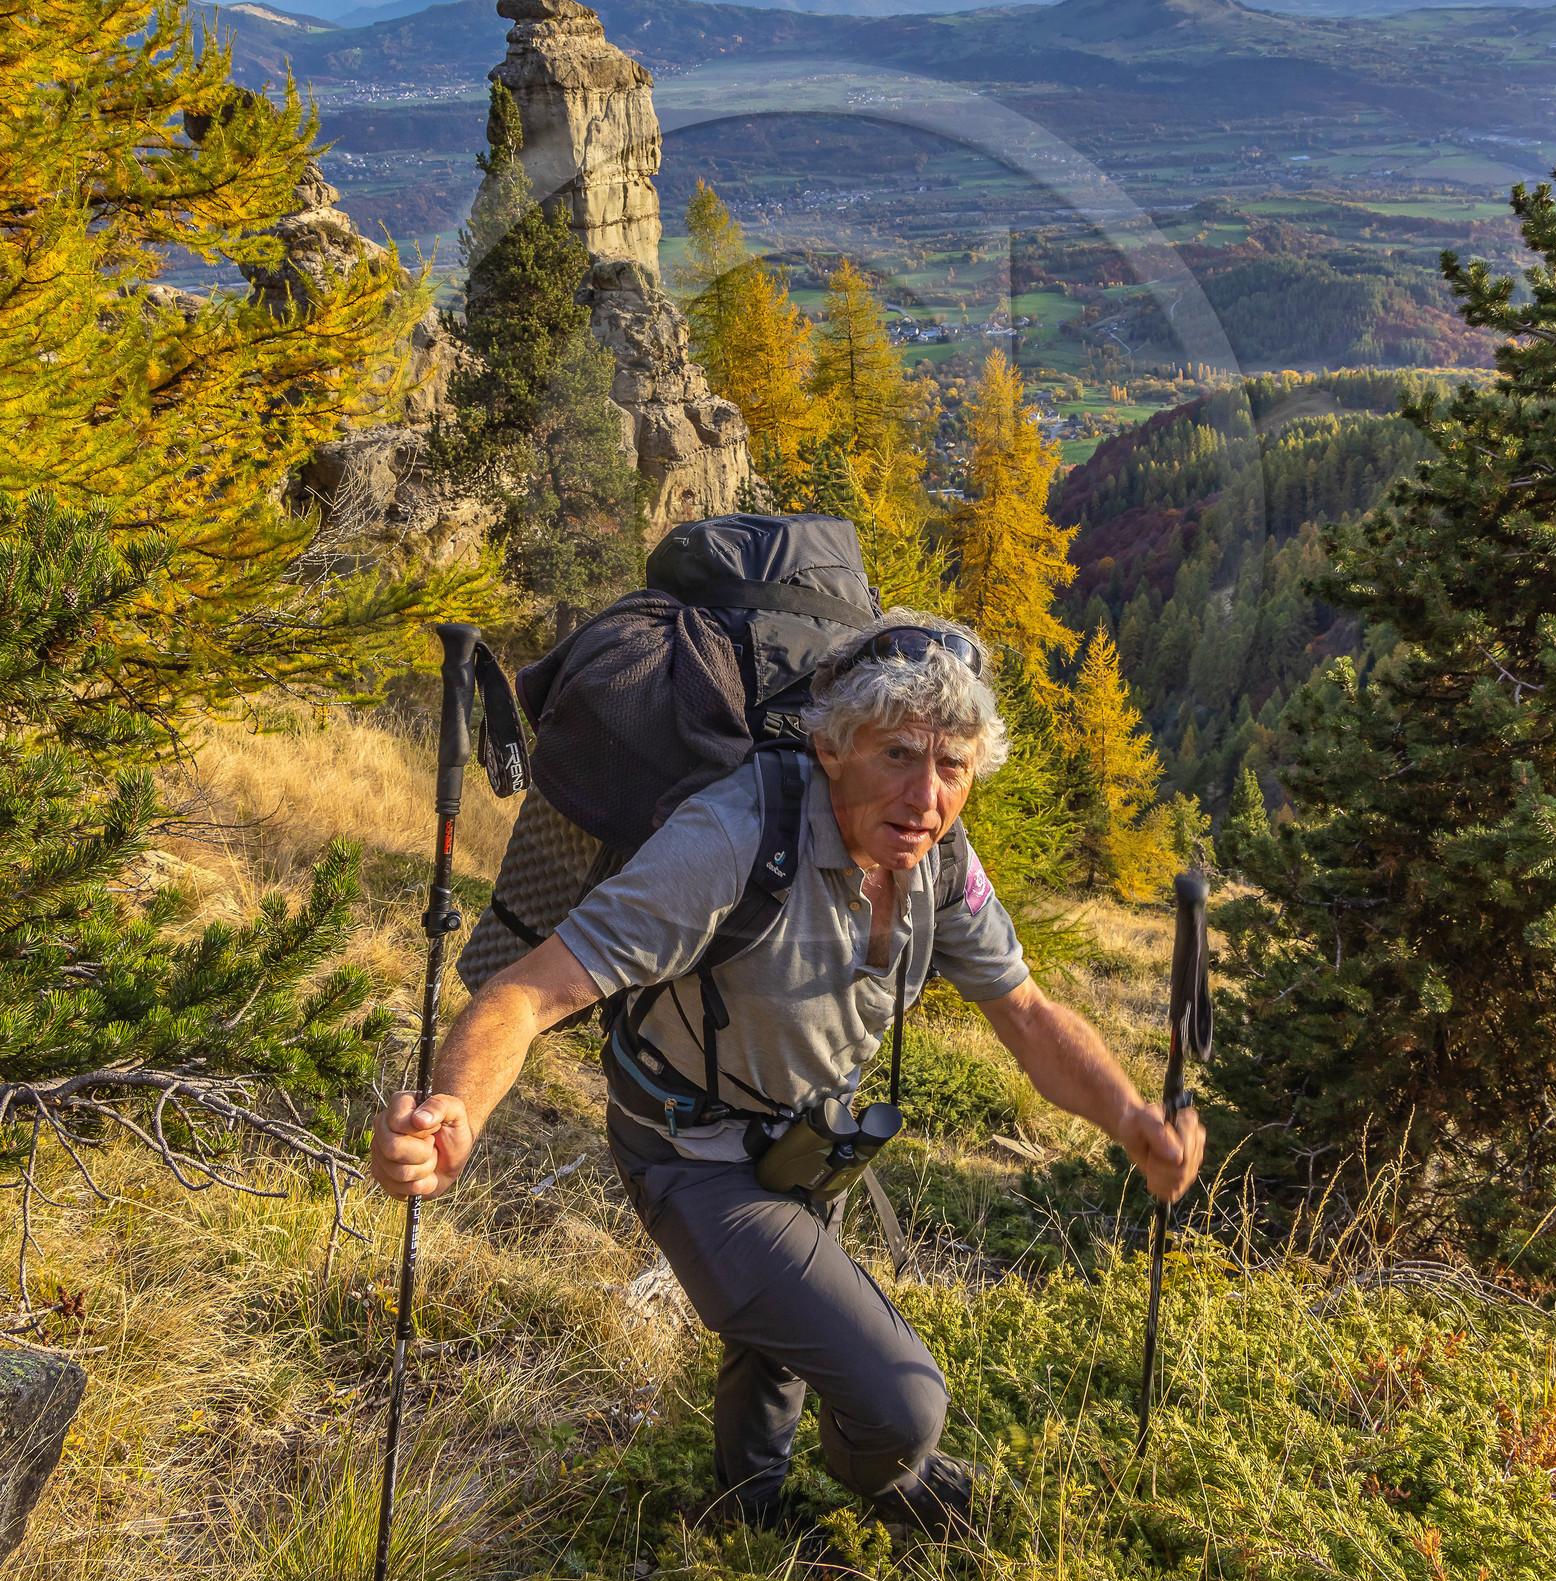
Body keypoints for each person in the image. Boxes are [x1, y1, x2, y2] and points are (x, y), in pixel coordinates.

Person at [371, 612, 1205, 1533]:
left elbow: (1030, 1016)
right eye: (898, 754)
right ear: (831, 746)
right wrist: (454, 1110)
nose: (927, 795)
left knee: (776, 1335)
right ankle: (891, 1480)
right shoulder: (733, 839)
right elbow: (527, 994)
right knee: (904, 1405)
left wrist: (1131, 1118)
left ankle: (744, 1519)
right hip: (689, 1149)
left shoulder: (940, 863)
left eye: (953, 765)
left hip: (805, 1138)